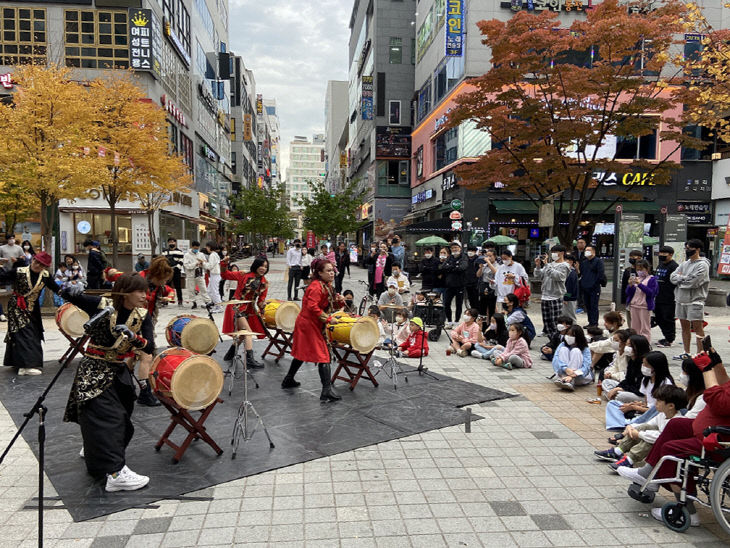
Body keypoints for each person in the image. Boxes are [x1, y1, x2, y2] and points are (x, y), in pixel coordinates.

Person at [617, 350, 729, 527]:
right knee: (674, 424)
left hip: (717, 439)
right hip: (705, 430)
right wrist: (715, 360)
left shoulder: (702, 395)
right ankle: (646, 473)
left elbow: (718, 399)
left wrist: (707, 368)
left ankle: (688, 511)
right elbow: (725, 383)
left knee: (671, 449)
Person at [62, 273, 153, 491]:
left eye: (145, 291)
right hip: (93, 370)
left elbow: (148, 348)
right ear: (125, 292)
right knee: (107, 418)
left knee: (122, 419)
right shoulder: (102, 305)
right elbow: (68, 295)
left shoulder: (142, 315)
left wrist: (133, 337)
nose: (144, 296)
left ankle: (95, 449)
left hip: (118, 372)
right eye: (139, 291)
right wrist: (68, 290)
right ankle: (115, 473)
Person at [280, 259, 345, 401]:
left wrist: (340, 299)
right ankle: (326, 390)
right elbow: (312, 307)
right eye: (328, 270)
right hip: (308, 324)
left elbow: (330, 303)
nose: (332, 273)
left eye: (332, 270)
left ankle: (288, 379)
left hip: (311, 323)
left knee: (302, 353)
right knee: (324, 355)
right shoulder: (316, 286)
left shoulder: (326, 285)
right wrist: (328, 319)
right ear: (319, 273)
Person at [594, 385, 687, 471]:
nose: (655, 403)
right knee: (644, 427)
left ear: (671, 406)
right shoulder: (662, 415)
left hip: (670, 449)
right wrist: (632, 428)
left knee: (649, 439)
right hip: (660, 441)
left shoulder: (676, 421)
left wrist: (639, 434)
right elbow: (647, 424)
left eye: (659, 401)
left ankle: (630, 460)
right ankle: (618, 451)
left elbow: (660, 437)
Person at [0, 252, 61, 375]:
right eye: (36, 262)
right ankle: (26, 366)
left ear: (45, 267)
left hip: (33, 309)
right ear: (33, 259)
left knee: (33, 332)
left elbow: (57, 289)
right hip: (16, 306)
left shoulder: (45, 275)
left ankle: (18, 362)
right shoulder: (19, 271)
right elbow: (2, 278)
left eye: (42, 265)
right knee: (24, 332)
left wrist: (74, 295)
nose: (37, 265)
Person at [605, 350, 674, 430]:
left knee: (653, 412)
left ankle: (626, 423)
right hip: (644, 411)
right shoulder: (646, 379)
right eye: (643, 363)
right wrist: (634, 405)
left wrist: (634, 407)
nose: (643, 366)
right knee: (613, 403)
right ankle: (625, 423)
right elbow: (646, 403)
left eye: (646, 365)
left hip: (654, 413)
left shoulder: (666, 383)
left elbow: (658, 409)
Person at [221, 257, 269, 369]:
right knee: (248, 333)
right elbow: (225, 275)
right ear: (256, 265)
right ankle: (250, 360)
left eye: (266, 267)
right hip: (237, 306)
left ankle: (230, 353)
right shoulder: (243, 275)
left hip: (249, 309)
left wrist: (263, 305)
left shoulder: (264, 283)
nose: (263, 268)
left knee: (243, 335)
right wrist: (224, 263)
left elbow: (260, 301)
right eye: (261, 265)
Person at [670, 239, 710, 359]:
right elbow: (672, 277)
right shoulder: (684, 264)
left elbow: (694, 282)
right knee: (684, 327)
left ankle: (700, 353)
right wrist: (683, 278)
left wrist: (680, 280)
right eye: (686, 248)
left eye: (689, 248)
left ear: (697, 249)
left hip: (695, 300)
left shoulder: (703, 265)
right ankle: (686, 352)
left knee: (698, 327)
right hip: (681, 299)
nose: (687, 250)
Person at [533, 245, 571, 338]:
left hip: (556, 296)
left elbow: (558, 277)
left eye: (555, 252)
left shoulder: (565, 265)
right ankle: (547, 332)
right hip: (545, 295)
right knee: (546, 318)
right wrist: (538, 266)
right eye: (552, 252)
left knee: (555, 319)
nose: (553, 254)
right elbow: (538, 276)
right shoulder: (549, 265)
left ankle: (557, 336)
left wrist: (546, 265)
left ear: (562, 253)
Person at [551, 324, 593, 390]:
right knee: (563, 349)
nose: (569, 337)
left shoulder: (585, 348)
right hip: (564, 375)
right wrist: (565, 368)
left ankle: (570, 381)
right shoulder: (562, 344)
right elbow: (555, 360)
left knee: (575, 351)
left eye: (572, 335)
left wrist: (572, 375)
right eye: (568, 334)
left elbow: (586, 366)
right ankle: (565, 379)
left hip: (579, 377)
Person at [626, 259, 658, 342]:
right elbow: (628, 293)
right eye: (637, 270)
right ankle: (634, 344)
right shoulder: (636, 278)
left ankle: (646, 344)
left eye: (641, 269)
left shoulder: (652, 279)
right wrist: (630, 285)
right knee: (634, 327)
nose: (639, 271)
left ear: (647, 269)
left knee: (645, 328)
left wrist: (639, 284)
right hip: (634, 305)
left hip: (644, 306)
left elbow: (651, 293)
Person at [654, 246, 678, 348]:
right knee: (659, 318)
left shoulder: (674, 266)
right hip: (658, 297)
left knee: (668, 318)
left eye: (665, 254)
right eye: (661, 253)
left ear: (671, 254)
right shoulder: (660, 265)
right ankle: (666, 336)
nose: (662, 255)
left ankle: (669, 339)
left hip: (669, 297)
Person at [439, 241, 468, 325]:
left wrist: (451, 267)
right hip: (449, 285)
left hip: (460, 285)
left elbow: (462, 267)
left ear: (460, 248)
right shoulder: (450, 257)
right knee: (447, 303)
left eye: (456, 247)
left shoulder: (463, 257)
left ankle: (457, 321)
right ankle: (449, 320)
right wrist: (454, 266)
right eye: (452, 248)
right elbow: (443, 267)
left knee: (459, 304)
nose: (454, 249)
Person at [579, 245, 605, 328]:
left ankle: (594, 323)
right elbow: (582, 273)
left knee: (594, 306)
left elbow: (600, 274)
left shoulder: (598, 261)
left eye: (589, 250)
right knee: (587, 306)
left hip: (594, 288)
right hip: (585, 287)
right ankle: (590, 322)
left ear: (593, 252)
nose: (587, 252)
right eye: (586, 250)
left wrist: (595, 283)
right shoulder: (584, 262)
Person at [182, 241, 211, 310]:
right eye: (195, 248)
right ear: (192, 247)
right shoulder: (187, 255)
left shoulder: (201, 254)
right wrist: (195, 264)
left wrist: (202, 263)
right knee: (191, 289)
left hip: (200, 274)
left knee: (203, 288)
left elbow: (205, 263)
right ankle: (194, 302)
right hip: (191, 275)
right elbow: (186, 266)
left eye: (197, 248)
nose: (196, 249)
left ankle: (207, 302)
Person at [620, 250, 643, 324]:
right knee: (630, 319)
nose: (631, 258)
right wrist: (623, 300)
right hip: (629, 297)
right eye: (630, 257)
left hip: (640, 298)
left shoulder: (643, 271)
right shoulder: (627, 270)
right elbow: (624, 285)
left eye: (634, 257)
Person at [477, 249, 499, 321]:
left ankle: (491, 323)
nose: (488, 257)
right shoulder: (485, 265)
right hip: (484, 286)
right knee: (482, 307)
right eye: (487, 256)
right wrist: (480, 267)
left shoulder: (497, 265)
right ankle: (483, 324)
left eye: (490, 256)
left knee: (491, 308)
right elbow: (478, 275)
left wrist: (489, 263)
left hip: (492, 287)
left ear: (495, 256)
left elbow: (496, 272)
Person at [162, 238, 184, 307]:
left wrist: (176, 268)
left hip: (176, 271)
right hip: (167, 271)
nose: (171, 243)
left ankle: (180, 300)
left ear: (175, 243)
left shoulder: (180, 252)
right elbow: (163, 260)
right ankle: (166, 301)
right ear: (168, 243)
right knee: (166, 286)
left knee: (178, 286)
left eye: (173, 242)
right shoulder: (164, 252)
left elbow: (181, 261)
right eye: (170, 242)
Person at [205, 241, 222, 310]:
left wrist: (203, 263)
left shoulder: (212, 255)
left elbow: (210, 266)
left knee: (214, 291)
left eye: (207, 247)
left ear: (210, 247)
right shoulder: (215, 254)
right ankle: (213, 302)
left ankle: (218, 306)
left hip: (215, 275)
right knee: (209, 290)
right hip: (214, 274)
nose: (206, 249)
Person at [574, 237, 587, 313]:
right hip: (576, 274)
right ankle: (579, 305)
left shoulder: (587, 253)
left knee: (584, 291)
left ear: (585, 244)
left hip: (585, 274)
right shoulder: (574, 253)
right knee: (577, 291)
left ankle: (584, 306)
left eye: (582, 243)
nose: (580, 244)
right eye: (578, 243)